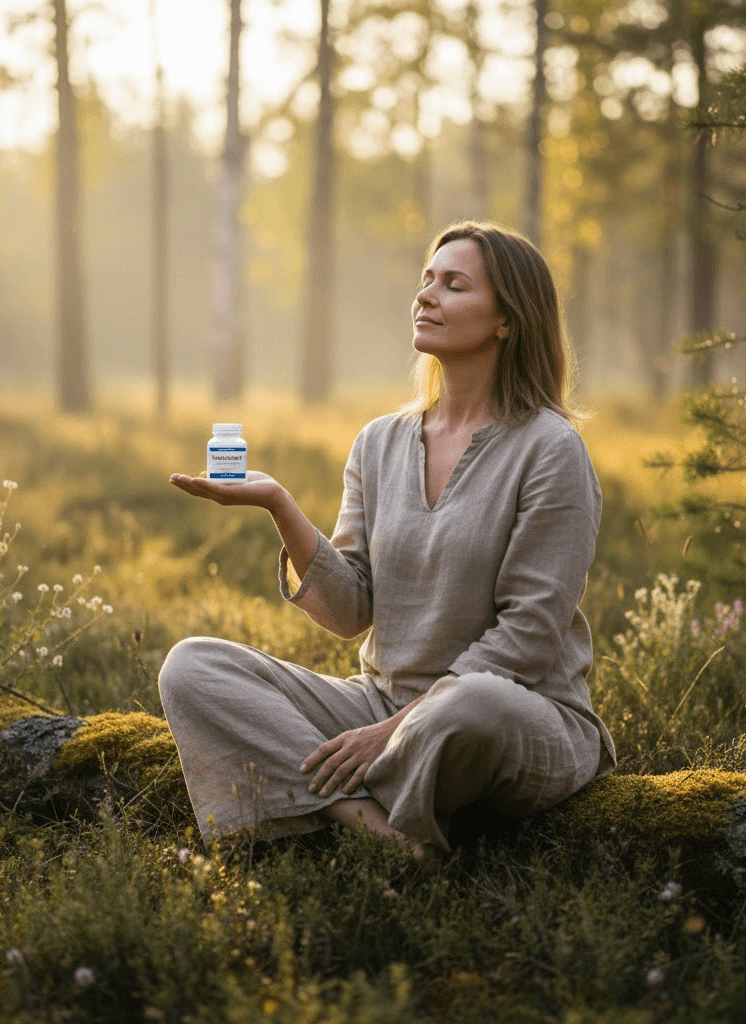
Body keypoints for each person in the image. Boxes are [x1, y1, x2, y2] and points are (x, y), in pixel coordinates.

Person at [160, 220, 615, 863]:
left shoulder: (550, 448)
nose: (426, 295)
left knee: (470, 706)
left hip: (510, 714)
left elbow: (530, 636)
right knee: (194, 666)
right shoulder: (379, 442)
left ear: (507, 321)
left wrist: (393, 734)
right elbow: (348, 613)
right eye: (426, 280)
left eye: (454, 285)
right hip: (379, 705)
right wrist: (278, 504)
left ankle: (326, 795)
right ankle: (374, 828)